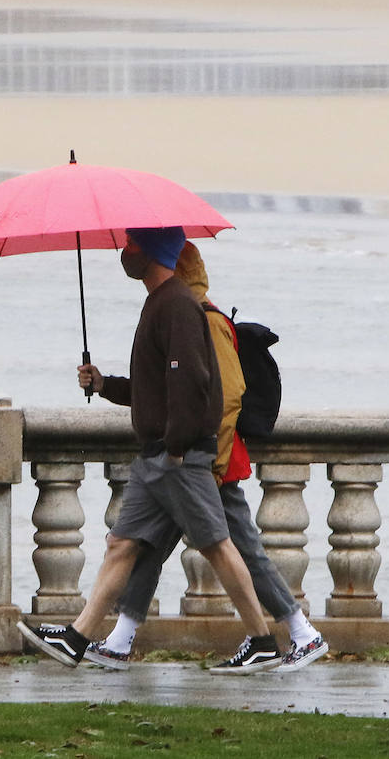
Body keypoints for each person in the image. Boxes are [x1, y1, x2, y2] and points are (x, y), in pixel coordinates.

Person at [17, 226, 283, 674]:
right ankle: (78, 638)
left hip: (175, 456)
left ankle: (262, 640)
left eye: (132, 244)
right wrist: (104, 385)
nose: (125, 251)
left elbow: (192, 382)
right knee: (121, 543)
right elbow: (154, 388)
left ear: (153, 251)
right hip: (157, 457)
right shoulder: (159, 301)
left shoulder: (178, 305)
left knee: (218, 545)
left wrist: (178, 448)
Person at [81, 240, 329, 673]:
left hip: (213, 465)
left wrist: (207, 468)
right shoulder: (176, 314)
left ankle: (300, 632)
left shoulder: (201, 320)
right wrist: (105, 385)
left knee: (239, 551)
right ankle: (120, 639)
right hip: (196, 462)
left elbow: (227, 397)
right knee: (143, 548)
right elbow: (155, 391)